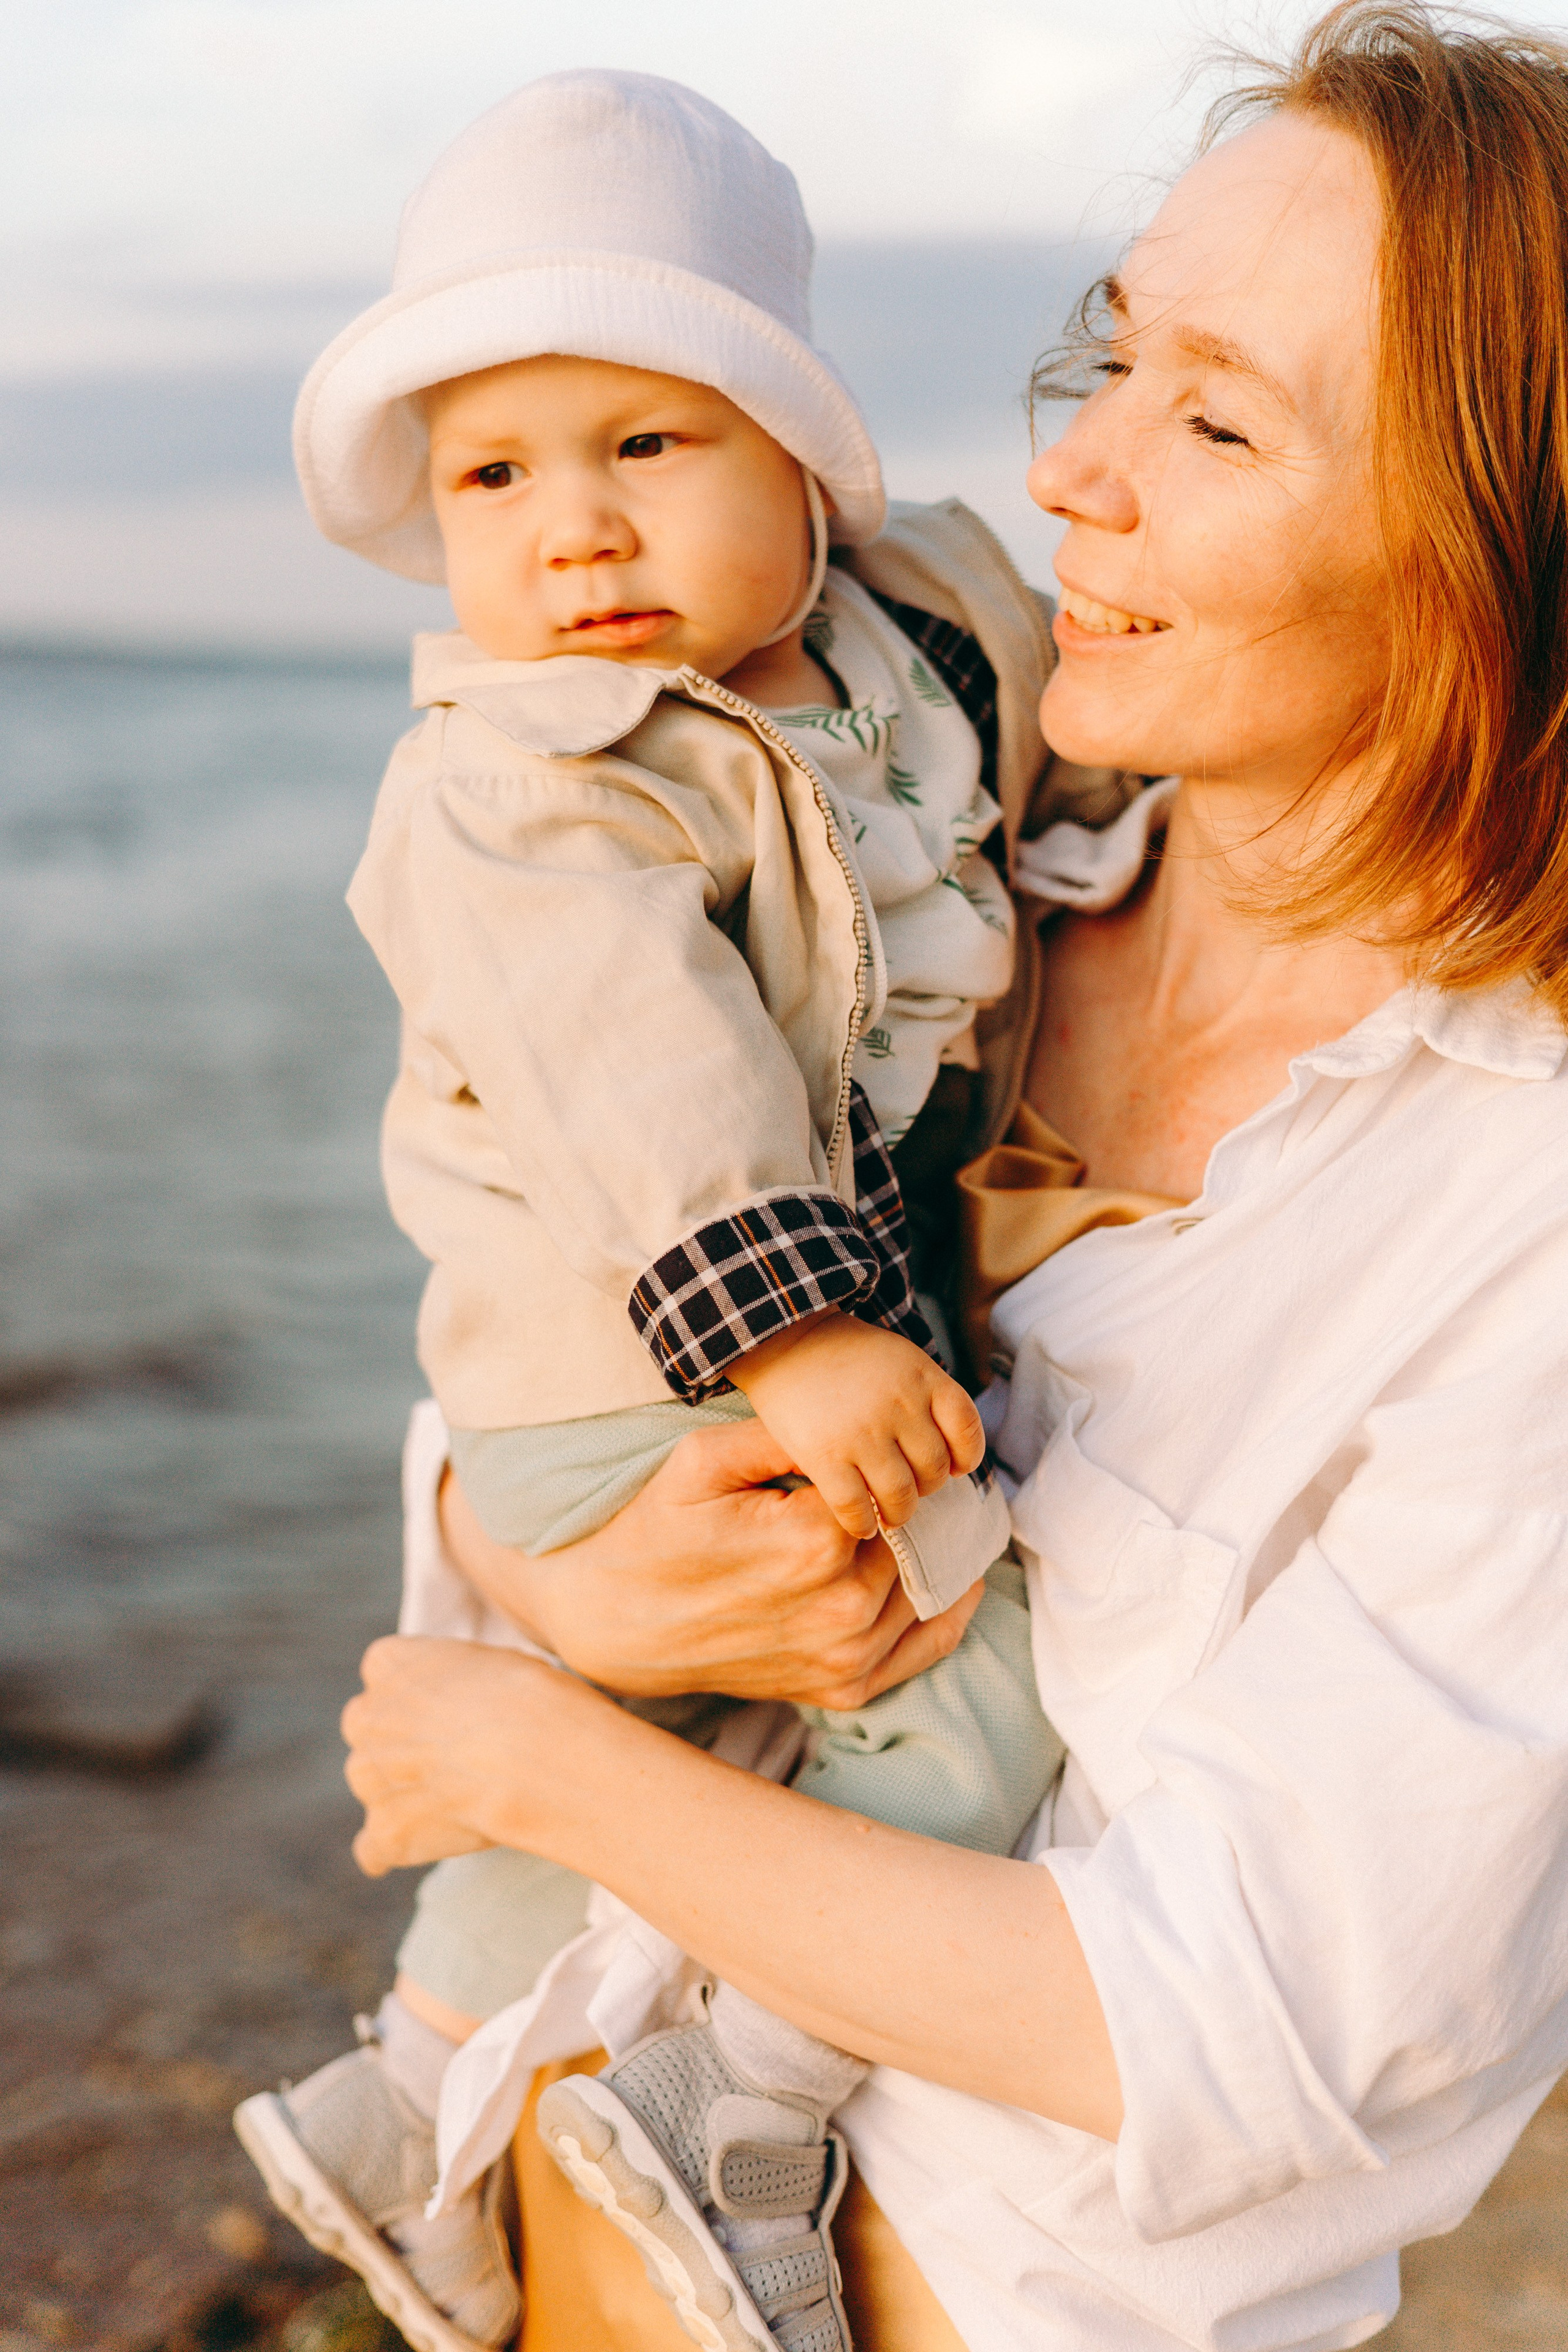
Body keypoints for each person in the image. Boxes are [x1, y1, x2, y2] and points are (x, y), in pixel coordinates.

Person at [338, 7, 1568, 2348]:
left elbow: (1227, 2035)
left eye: (1217, 419)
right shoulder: (942, 892)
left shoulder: (1519, 1215)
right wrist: (564, 1584)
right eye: (1111, 361)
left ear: (1497, 556)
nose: (1080, 472)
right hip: (533, 2246)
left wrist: (549, 1755)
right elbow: (558, 1298)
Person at [233, 68, 1074, 2352]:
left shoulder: (926, 628)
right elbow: (646, 1072)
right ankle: (750, 2091)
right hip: (647, 1361)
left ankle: (413, 2115)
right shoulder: (521, 778)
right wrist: (795, 1330)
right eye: (497, 473)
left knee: (641, 1758)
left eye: (649, 445)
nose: (574, 534)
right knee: (970, 1667)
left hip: (687, 1372)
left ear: (805, 456)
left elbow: (1072, 718)